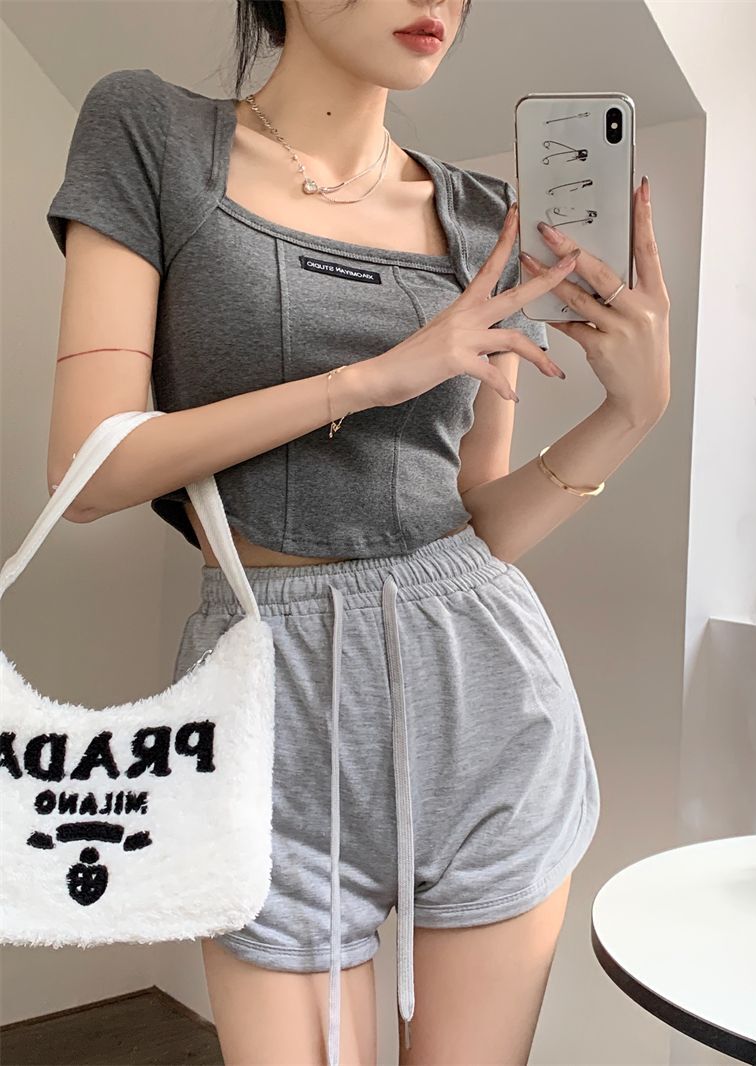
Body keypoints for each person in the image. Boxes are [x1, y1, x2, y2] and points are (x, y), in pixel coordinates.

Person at [44, 1, 671, 1063]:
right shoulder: (151, 134)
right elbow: (86, 470)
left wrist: (631, 414)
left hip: (483, 703)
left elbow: (476, 517)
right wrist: (377, 377)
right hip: (266, 706)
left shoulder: (484, 218)